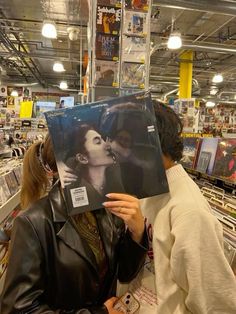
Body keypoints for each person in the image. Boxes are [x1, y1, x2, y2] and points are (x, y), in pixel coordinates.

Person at [0, 133, 148, 313]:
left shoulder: (107, 209)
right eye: (97, 140)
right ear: (81, 157)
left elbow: (124, 274)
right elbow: (18, 309)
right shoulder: (33, 222)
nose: (107, 143)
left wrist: (137, 232)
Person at [139, 101, 236, 313]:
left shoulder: (190, 210)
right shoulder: (148, 188)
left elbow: (216, 302)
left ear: (149, 143)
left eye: (126, 142)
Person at [60, 123, 125, 214]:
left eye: (102, 139)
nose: (107, 145)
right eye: (98, 142)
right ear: (82, 158)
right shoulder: (77, 196)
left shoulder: (116, 178)